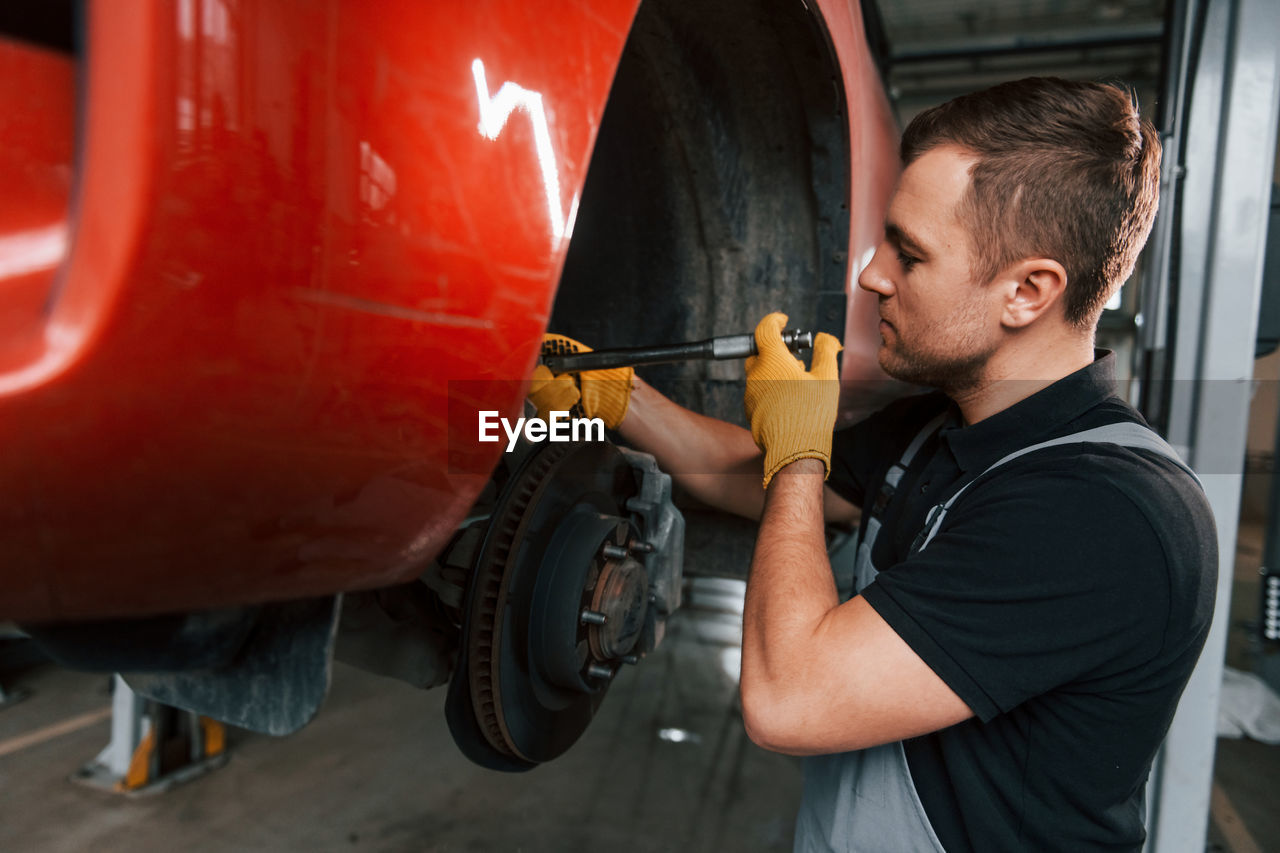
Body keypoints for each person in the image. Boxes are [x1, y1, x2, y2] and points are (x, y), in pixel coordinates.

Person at [529, 77, 1217, 852]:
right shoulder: (942, 423)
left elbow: (788, 699)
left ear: (1028, 290)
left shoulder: (1105, 514)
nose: (872, 275)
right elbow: (740, 470)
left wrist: (799, 455)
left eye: (910, 253)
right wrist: (618, 396)